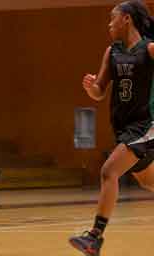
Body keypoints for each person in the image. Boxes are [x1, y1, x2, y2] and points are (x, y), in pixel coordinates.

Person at [69, 1, 154, 255]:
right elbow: (99, 91)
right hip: (123, 127)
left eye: (112, 18)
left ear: (126, 19)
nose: (109, 24)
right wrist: (91, 87)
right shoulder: (112, 52)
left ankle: (94, 237)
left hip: (146, 125)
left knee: (109, 171)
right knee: (149, 182)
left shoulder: (149, 50)